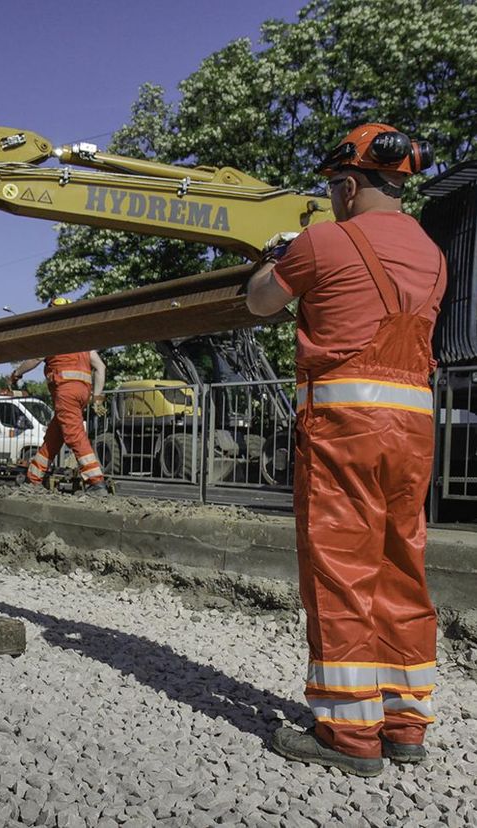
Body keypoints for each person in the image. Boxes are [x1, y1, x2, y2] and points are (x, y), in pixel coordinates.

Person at [246, 124, 445, 777]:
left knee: (341, 570)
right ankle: (404, 724)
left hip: (344, 427)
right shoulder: (432, 252)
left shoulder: (324, 240)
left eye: (334, 190)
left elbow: (261, 301)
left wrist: (278, 258)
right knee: (398, 568)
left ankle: (349, 735)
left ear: (348, 185)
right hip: (414, 430)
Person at [10, 298, 109, 496]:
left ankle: (96, 482)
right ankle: (34, 478)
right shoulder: (82, 339)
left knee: (74, 435)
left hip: (66, 392)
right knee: (54, 437)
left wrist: (16, 374)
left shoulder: (53, 336)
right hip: (82, 393)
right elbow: (100, 367)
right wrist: (97, 397)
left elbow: (34, 359)